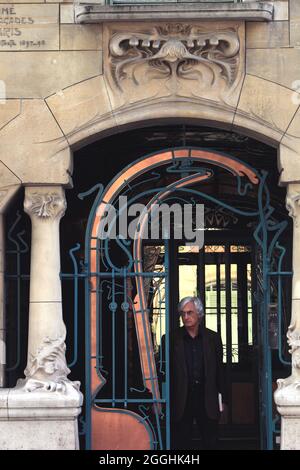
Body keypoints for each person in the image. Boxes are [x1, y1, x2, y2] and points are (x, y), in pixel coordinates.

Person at [160, 296, 226, 450]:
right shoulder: (170, 339)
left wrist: (224, 400)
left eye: (190, 313)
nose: (186, 317)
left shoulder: (213, 338)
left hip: (206, 398)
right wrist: (160, 399)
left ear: (199, 314)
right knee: (181, 442)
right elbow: (162, 372)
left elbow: (219, 371)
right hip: (181, 399)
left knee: (210, 441)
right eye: (183, 314)